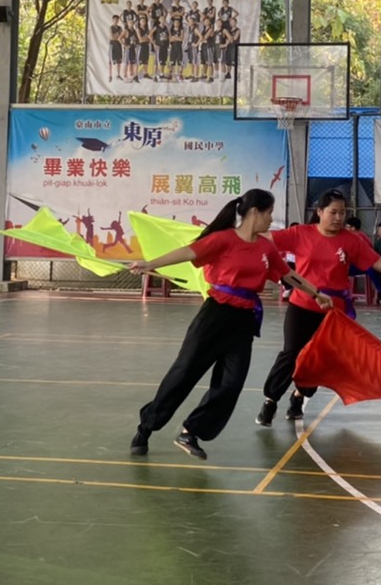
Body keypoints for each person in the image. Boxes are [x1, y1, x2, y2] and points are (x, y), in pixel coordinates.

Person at [127, 189, 332, 459]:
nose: (271, 219)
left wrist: (316, 293)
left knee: (231, 384)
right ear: (254, 212)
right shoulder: (223, 239)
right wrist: (148, 264)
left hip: (244, 321)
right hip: (215, 316)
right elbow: (187, 252)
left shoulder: (265, 247)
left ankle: (191, 431)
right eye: (269, 213)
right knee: (184, 374)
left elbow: (288, 275)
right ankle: (145, 428)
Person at [255, 190, 381, 425]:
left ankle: (299, 397)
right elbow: (264, 238)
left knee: (319, 359)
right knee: (291, 353)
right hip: (302, 305)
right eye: (333, 212)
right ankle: (270, 401)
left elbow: (379, 262)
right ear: (319, 212)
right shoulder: (300, 233)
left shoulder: (351, 240)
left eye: (342, 213)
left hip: (333, 313)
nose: (338, 217)